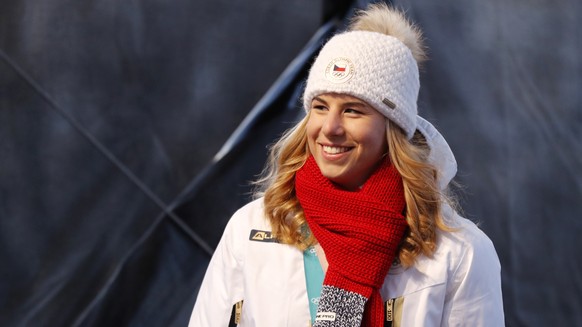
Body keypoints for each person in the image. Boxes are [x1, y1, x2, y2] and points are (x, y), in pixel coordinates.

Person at [189, 3, 504, 326]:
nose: (330, 128)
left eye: (353, 110)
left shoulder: (457, 252)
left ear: (393, 127)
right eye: (320, 107)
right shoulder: (253, 228)